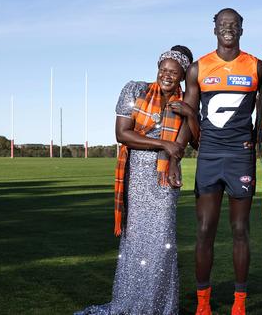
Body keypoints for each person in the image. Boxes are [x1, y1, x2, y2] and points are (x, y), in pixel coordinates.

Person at [75, 49, 191, 315]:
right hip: (136, 172)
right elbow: (122, 134)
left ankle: (158, 305)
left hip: (165, 177)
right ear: (158, 67)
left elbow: (192, 137)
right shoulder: (135, 90)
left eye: (174, 72)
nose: (167, 75)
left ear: (183, 76)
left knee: (163, 241)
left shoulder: (185, 101)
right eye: (164, 69)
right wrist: (164, 143)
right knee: (135, 238)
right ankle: (130, 302)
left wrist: (188, 119)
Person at [171, 8, 262, 315]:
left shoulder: (256, 66)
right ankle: (203, 305)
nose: (228, 28)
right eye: (223, 24)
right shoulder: (199, 67)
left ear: (242, 28)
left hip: (240, 156)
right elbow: (189, 116)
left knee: (240, 229)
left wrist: (256, 138)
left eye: (234, 24)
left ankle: (239, 303)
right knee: (204, 230)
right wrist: (178, 152)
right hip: (210, 155)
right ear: (214, 29)